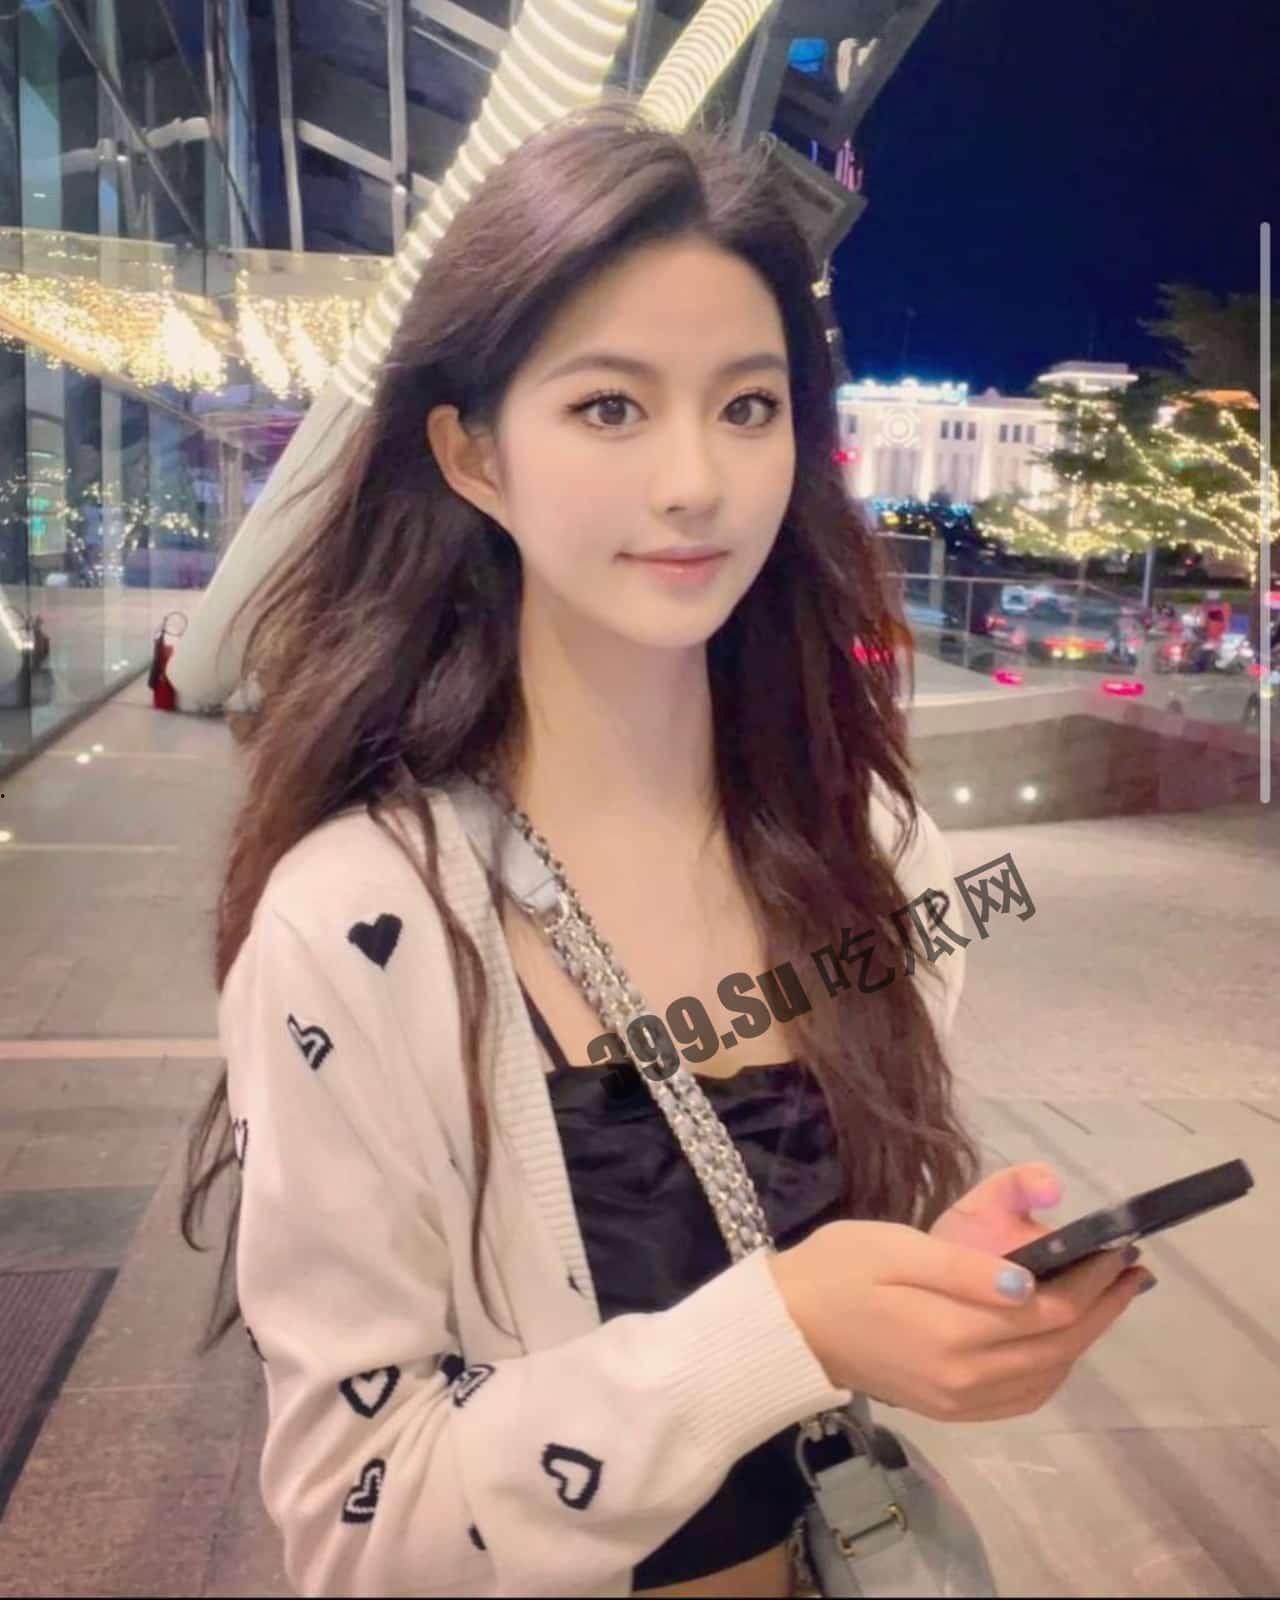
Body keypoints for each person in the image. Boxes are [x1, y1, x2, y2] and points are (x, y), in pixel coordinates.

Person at [182, 100, 1151, 1600]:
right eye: (610, 408)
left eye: (748, 406)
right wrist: (788, 1325)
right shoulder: (362, 922)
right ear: (472, 454)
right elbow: (359, 1526)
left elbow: (801, 1325)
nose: (696, 479)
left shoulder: (876, 856)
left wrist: (923, 1303)